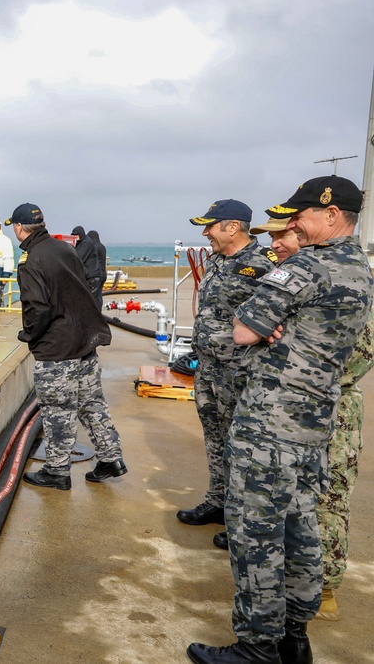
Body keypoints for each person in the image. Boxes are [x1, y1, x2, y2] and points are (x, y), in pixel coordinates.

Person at [187, 176, 374, 664]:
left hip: (271, 419)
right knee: (299, 525)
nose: (292, 224)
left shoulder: (308, 266)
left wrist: (268, 326)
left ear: (332, 215)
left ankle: (258, 645)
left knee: (256, 532)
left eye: (302, 214)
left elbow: (245, 329)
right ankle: (294, 634)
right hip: (314, 417)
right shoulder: (358, 267)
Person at [247, 217, 374, 621]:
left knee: (324, 501)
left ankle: (323, 591)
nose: (276, 245)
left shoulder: (346, 285)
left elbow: (355, 358)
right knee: (282, 506)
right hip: (287, 408)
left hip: (330, 408)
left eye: (283, 235)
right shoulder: (298, 284)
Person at [176, 200, 276, 547]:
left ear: (233, 227)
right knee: (215, 439)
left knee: (240, 446)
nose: (205, 233)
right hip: (208, 369)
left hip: (239, 372)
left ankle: (240, 519)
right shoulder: (218, 261)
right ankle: (218, 502)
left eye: (211, 226)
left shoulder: (264, 265)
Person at [7, 203, 127, 491]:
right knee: (91, 404)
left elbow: (37, 308)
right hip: (84, 342)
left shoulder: (30, 259)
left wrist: (31, 336)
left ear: (19, 228)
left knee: (57, 410)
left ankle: (57, 470)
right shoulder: (64, 249)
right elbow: (85, 287)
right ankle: (111, 457)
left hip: (57, 347)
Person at [70, 226, 104, 306]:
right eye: (73, 235)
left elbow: (79, 257)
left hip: (92, 276)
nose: (75, 237)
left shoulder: (86, 243)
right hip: (90, 275)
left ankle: (96, 316)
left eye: (76, 235)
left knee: (93, 299)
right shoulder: (80, 243)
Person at [87, 229, 108, 309]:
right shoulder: (102, 246)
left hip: (97, 274)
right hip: (103, 274)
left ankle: (96, 311)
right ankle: (99, 310)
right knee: (99, 295)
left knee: (94, 296)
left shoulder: (94, 247)